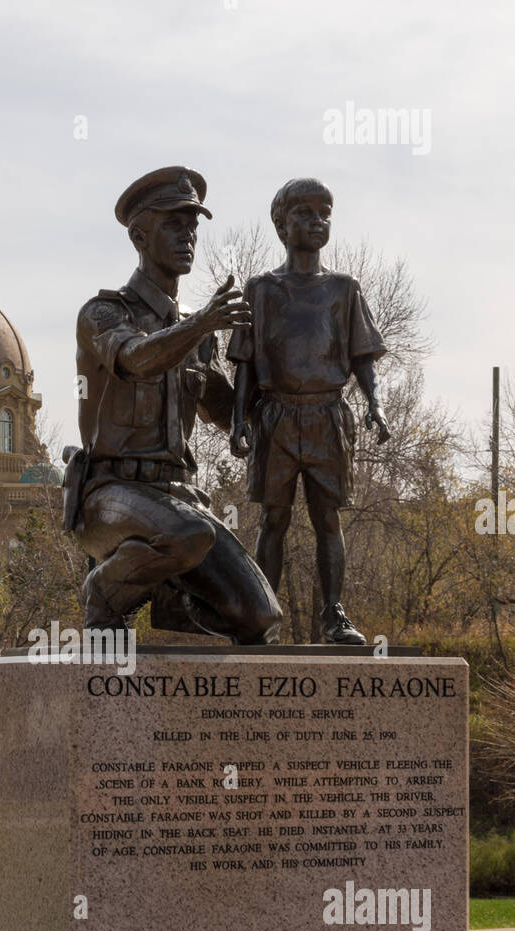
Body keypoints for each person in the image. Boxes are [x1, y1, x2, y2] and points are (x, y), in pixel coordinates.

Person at [65, 166, 281, 643]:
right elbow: (136, 360)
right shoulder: (103, 314)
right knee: (188, 534)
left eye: (192, 226)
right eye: (173, 224)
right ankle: (103, 595)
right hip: (110, 496)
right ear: (139, 237)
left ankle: (173, 599)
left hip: (179, 502)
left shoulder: (197, 332)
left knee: (260, 618)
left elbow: (227, 411)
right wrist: (201, 324)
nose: (188, 236)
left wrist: (285, 385)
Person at [227, 177, 389, 644]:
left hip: (327, 416)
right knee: (273, 519)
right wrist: (238, 420)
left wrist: (375, 404)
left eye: (324, 214)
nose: (317, 221)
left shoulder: (344, 289)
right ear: (282, 225)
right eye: (305, 213)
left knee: (327, 519)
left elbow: (362, 357)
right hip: (275, 417)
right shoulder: (261, 289)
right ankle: (261, 616)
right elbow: (244, 363)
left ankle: (334, 614)